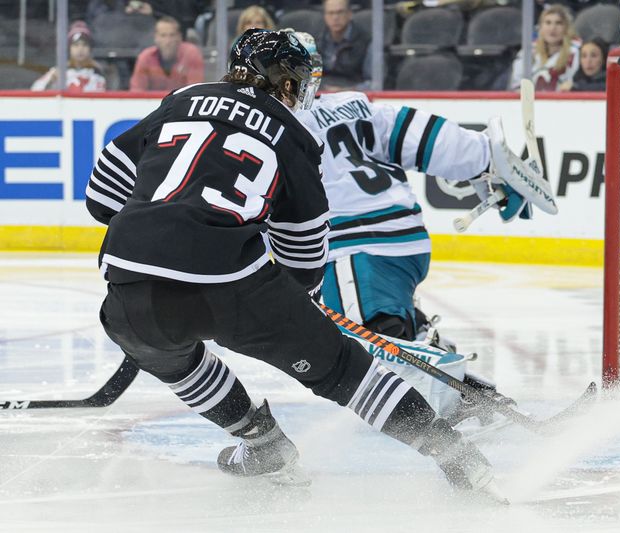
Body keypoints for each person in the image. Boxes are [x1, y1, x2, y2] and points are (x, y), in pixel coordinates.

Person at [84, 28, 503, 500]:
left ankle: (261, 444)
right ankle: (456, 457)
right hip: (232, 285)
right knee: (347, 372)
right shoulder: (294, 133)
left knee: (171, 359)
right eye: (298, 78)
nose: (303, 88)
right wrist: (298, 304)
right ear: (280, 80)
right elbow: (303, 251)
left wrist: (160, 228)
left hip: (129, 282)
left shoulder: (181, 97)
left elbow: (100, 196)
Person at [293, 32, 537, 424]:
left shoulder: (273, 123)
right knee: (384, 333)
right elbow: (431, 139)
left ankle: (477, 402)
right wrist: (489, 161)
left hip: (354, 248)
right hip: (402, 242)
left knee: (372, 346)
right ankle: (426, 343)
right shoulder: (355, 106)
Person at [508, 3, 581, 91]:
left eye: (558, 23)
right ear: (540, 27)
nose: (552, 28)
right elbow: (516, 85)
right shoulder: (528, 52)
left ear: (567, 28)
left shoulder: (575, 52)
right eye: (548, 23)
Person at [129, 15, 204, 91]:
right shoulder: (145, 57)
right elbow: (137, 90)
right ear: (155, 38)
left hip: (183, 101)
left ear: (180, 37)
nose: (168, 41)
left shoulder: (191, 53)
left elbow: (194, 90)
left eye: (172, 35)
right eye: (163, 35)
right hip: (153, 102)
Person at [31, 21, 107, 92]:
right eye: (76, 45)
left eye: (84, 45)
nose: (80, 49)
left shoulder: (98, 72)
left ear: (90, 49)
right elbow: (34, 91)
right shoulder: (58, 71)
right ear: (69, 48)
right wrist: (51, 80)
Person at [317, 0, 372, 90]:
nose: (335, 17)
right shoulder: (317, 40)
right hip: (322, 94)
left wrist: (345, 91)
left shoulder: (365, 41)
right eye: (331, 13)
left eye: (340, 12)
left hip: (353, 95)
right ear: (325, 17)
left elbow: (373, 83)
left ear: (349, 14)